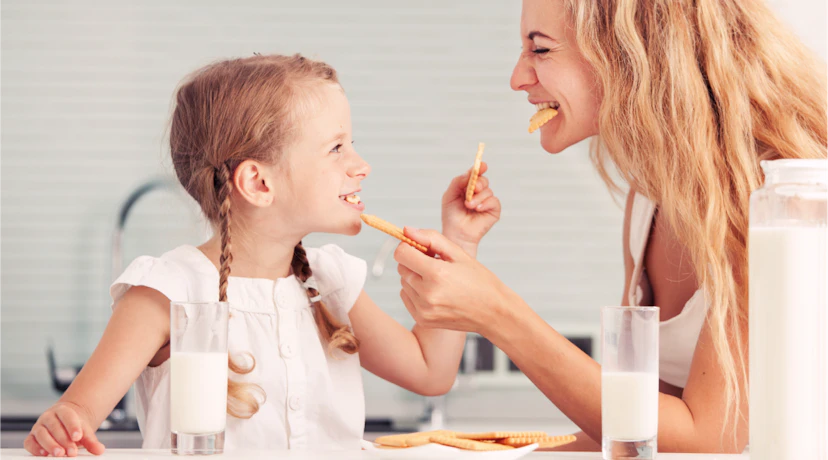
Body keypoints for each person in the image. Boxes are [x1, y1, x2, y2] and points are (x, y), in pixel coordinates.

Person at [394, 0, 828, 453]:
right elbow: (639, 428)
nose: (517, 78)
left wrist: (496, 314)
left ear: (629, 55)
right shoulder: (650, 201)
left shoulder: (782, 202)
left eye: (540, 50)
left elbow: (704, 441)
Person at [23, 53, 502, 457]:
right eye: (336, 148)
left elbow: (430, 371)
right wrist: (64, 422)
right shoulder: (168, 291)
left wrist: (460, 243)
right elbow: (79, 413)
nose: (361, 165)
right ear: (258, 183)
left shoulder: (328, 282)